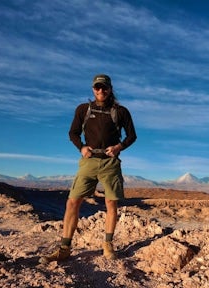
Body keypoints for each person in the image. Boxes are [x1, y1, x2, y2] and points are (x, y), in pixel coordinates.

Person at [40, 74, 137, 263]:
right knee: (72, 202)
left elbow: (132, 136)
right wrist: (82, 147)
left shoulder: (121, 111)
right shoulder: (84, 109)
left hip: (110, 163)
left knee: (111, 203)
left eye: (104, 87)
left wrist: (118, 147)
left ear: (110, 89)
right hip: (89, 161)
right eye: (97, 87)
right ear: (93, 89)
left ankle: (108, 244)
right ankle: (64, 248)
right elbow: (73, 133)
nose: (100, 91)